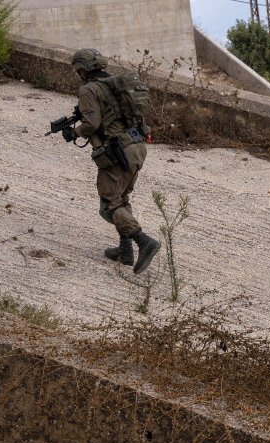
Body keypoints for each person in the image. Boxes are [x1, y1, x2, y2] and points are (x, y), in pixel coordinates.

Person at [64, 48, 161, 274]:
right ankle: (125, 250)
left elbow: (92, 125)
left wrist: (74, 133)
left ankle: (143, 241)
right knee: (122, 197)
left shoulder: (88, 89)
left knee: (110, 203)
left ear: (84, 68)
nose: (77, 73)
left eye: (78, 69)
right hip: (137, 147)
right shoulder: (116, 85)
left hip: (118, 152)